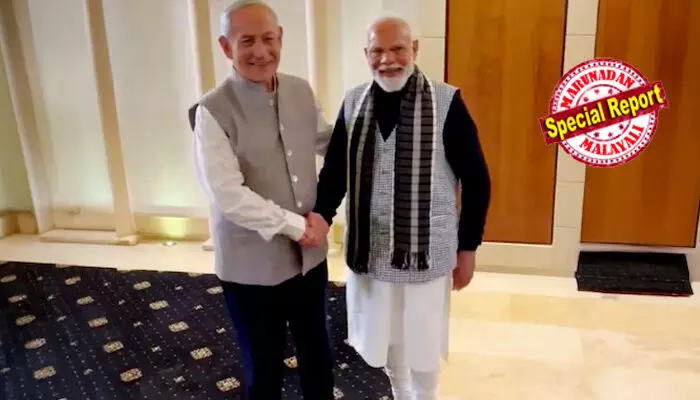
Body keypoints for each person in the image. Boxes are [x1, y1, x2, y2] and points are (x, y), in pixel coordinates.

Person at [305, 15, 491, 400]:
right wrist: (322, 215)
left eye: (398, 49)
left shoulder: (446, 102)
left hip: (427, 253)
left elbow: (476, 181)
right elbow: (336, 170)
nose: (387, 59)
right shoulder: (354, 101)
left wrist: (468, 248)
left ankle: (425, 395)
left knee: (423, 340)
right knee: (386, 336)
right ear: (366, 54)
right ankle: (400, 391)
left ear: (414, 49)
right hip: (371, 251)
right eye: (377, 51)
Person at [188, 1, 334, 399]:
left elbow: (326, 141)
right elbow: (227, 194)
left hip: (309, 257)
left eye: (268, 39)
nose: (260, 51)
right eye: (246, 41)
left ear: (281, 38)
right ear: (225, 46)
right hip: (249, 266)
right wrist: (296, 226)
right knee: (264, 367)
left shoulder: (300, 90)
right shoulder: (212, 111)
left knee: (317, 354)